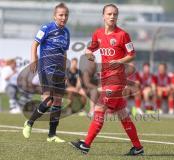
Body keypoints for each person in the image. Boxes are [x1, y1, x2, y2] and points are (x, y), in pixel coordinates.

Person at [70, 4, 144, 156]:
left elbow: (132, 54)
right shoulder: (97, 34)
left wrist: (120, 61)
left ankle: (85, 145)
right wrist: (89, 54)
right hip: (105, 78)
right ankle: (138, 147)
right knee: (123, 114)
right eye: (109, 14)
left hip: (117, 79)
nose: (112, 16)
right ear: (103, 16)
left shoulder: (123, 35)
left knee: (99, 107)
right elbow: (90, 48)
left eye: (115, 14)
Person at [22, 3, 70, 143]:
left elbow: (64, 52)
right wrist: (33, 60)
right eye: (61, 15)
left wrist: (65, 70)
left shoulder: (66, 32)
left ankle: (52, 135)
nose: (63, 17)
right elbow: (34, 44)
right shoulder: (46, 28)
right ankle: (29, 123)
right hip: (46, 68)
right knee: (48, 100)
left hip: (59, 71)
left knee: (58, 102)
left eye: (66, 15)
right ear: (55, 16)